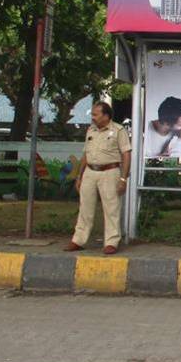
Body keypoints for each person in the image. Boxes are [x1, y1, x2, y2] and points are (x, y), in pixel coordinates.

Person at [64, 102, 132, 255]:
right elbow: (85, 155)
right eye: (92, 114)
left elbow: (126, 154)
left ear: (106, 116)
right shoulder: (91, 130)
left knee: (111, 208)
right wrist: (79, 176)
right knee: (85, 207)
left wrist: (123, 178)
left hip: (110, 171)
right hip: (90, 171)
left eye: (96, 114)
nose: (92, 117)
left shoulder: (118, 130)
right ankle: (78, 240)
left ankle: (112, 241)